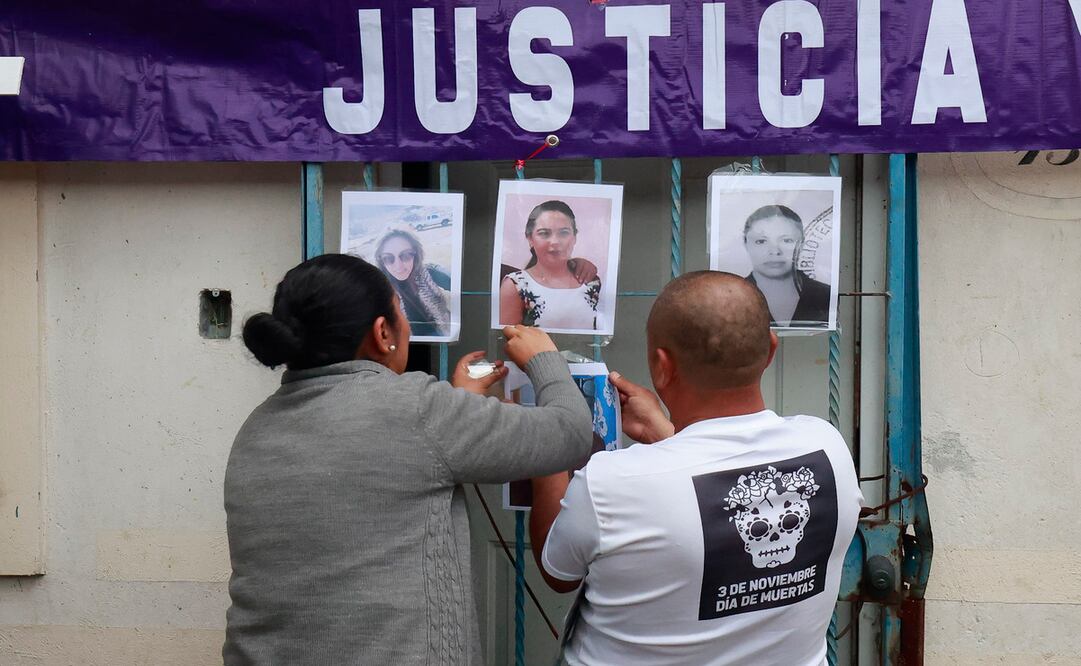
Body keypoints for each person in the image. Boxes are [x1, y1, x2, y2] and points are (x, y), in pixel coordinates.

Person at [223, 254, 593, 665]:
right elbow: (571, 433)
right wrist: (544, 357)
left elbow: (377, 471)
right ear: (384, 333)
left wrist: (458, 407)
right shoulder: (415, 410)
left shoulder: (256, 427)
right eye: (401, 312)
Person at [529, 271, 862, 665]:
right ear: (771, 350)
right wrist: (667, 435)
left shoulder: (610, 482)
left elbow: (558, 573)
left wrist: (551, 433)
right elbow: (711, 481)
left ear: (661, 366)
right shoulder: (826, 447)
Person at [500, 200, 602, 331]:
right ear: (530, 239)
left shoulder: (591, 282)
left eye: (563, 232)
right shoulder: (515, 285)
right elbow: (506, 341)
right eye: (544, 233)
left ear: (574, 237)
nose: (554, 242)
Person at [742, 204, 830, 327]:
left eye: (786, 240)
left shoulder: (826, 296)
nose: (774, 251)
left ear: (801, 244)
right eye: (761, 241)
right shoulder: (730, 298)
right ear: (746, 244)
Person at [375, 229, 451, 336]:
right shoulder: (377, 287)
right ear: (381, 260)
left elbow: (462, 284)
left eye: (406, 255)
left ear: (416, 254)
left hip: (442, 335)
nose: (398, 266)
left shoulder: (429, 273)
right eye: (388, 258)